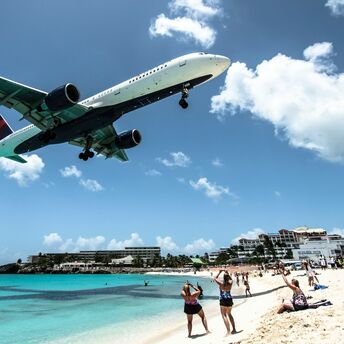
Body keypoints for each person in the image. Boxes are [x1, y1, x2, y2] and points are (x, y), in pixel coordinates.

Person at [214, 269, 237, 336]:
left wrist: (219, 272)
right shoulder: (230, 283)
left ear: (223, 278)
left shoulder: (221, 284)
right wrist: (227, 273)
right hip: (229, 299)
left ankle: (228, 331)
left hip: (223, 300)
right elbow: (230, 278)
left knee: (224, 315)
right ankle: (234, 329)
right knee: (229, 314)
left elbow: (215, 278)